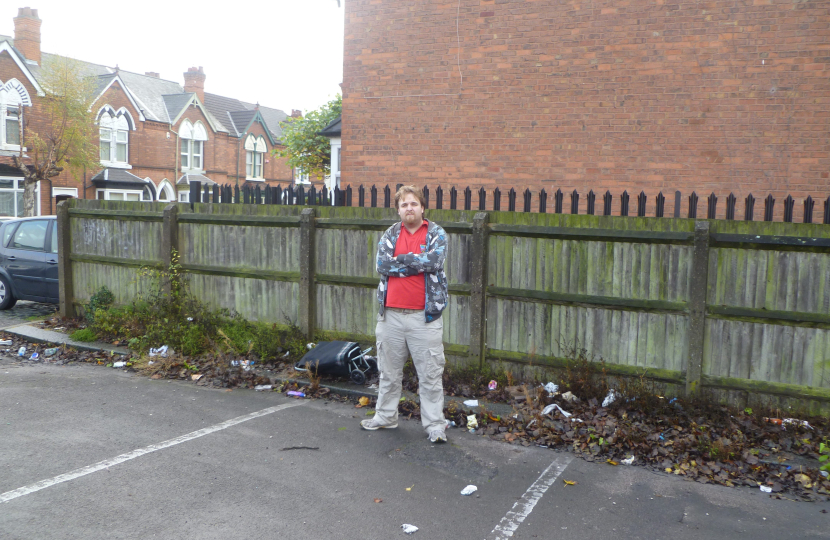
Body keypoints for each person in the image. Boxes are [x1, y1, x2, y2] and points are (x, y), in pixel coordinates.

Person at [360, 185, 449, 443]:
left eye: (413, 204)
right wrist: (415, 261)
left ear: (422, 207)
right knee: (388, 372)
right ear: (398, 210)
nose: (409, 208)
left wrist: (402, 260)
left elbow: (434, 262)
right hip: (391, 316)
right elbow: (382, 265)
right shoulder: (389, 234)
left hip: (425, 317)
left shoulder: (436, 233)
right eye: (404, 205)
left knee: (430, 375)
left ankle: (435, 425)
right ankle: (385, 417)